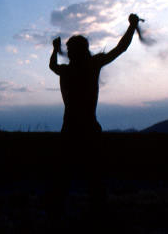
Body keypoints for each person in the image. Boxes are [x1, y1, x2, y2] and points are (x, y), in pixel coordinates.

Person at [48, 13, 140, 219]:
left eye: (70, 50)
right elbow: (120, 49)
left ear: (72, 53)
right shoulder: (92, 65)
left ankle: (60, 213)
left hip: (71, 129)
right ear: (85, 50)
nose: (70, 53)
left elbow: (52, 66)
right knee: (93, 176)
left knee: (67, 175)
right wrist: (132, 26)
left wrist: (55, 50)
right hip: (88, 129)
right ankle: (97, 214)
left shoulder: (66, 71)